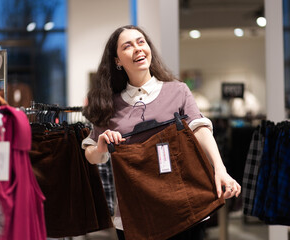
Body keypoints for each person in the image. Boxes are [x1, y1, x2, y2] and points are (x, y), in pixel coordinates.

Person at [82, 25, 241, 240]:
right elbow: (92, 154)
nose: (137, 49)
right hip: (136, 213)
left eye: (141, 42)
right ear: (117, 60)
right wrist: (101, 146)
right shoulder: (109, 106)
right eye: (127, 46)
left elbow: (201, 129)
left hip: (184, 206)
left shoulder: (177, 91)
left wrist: (219, 169)